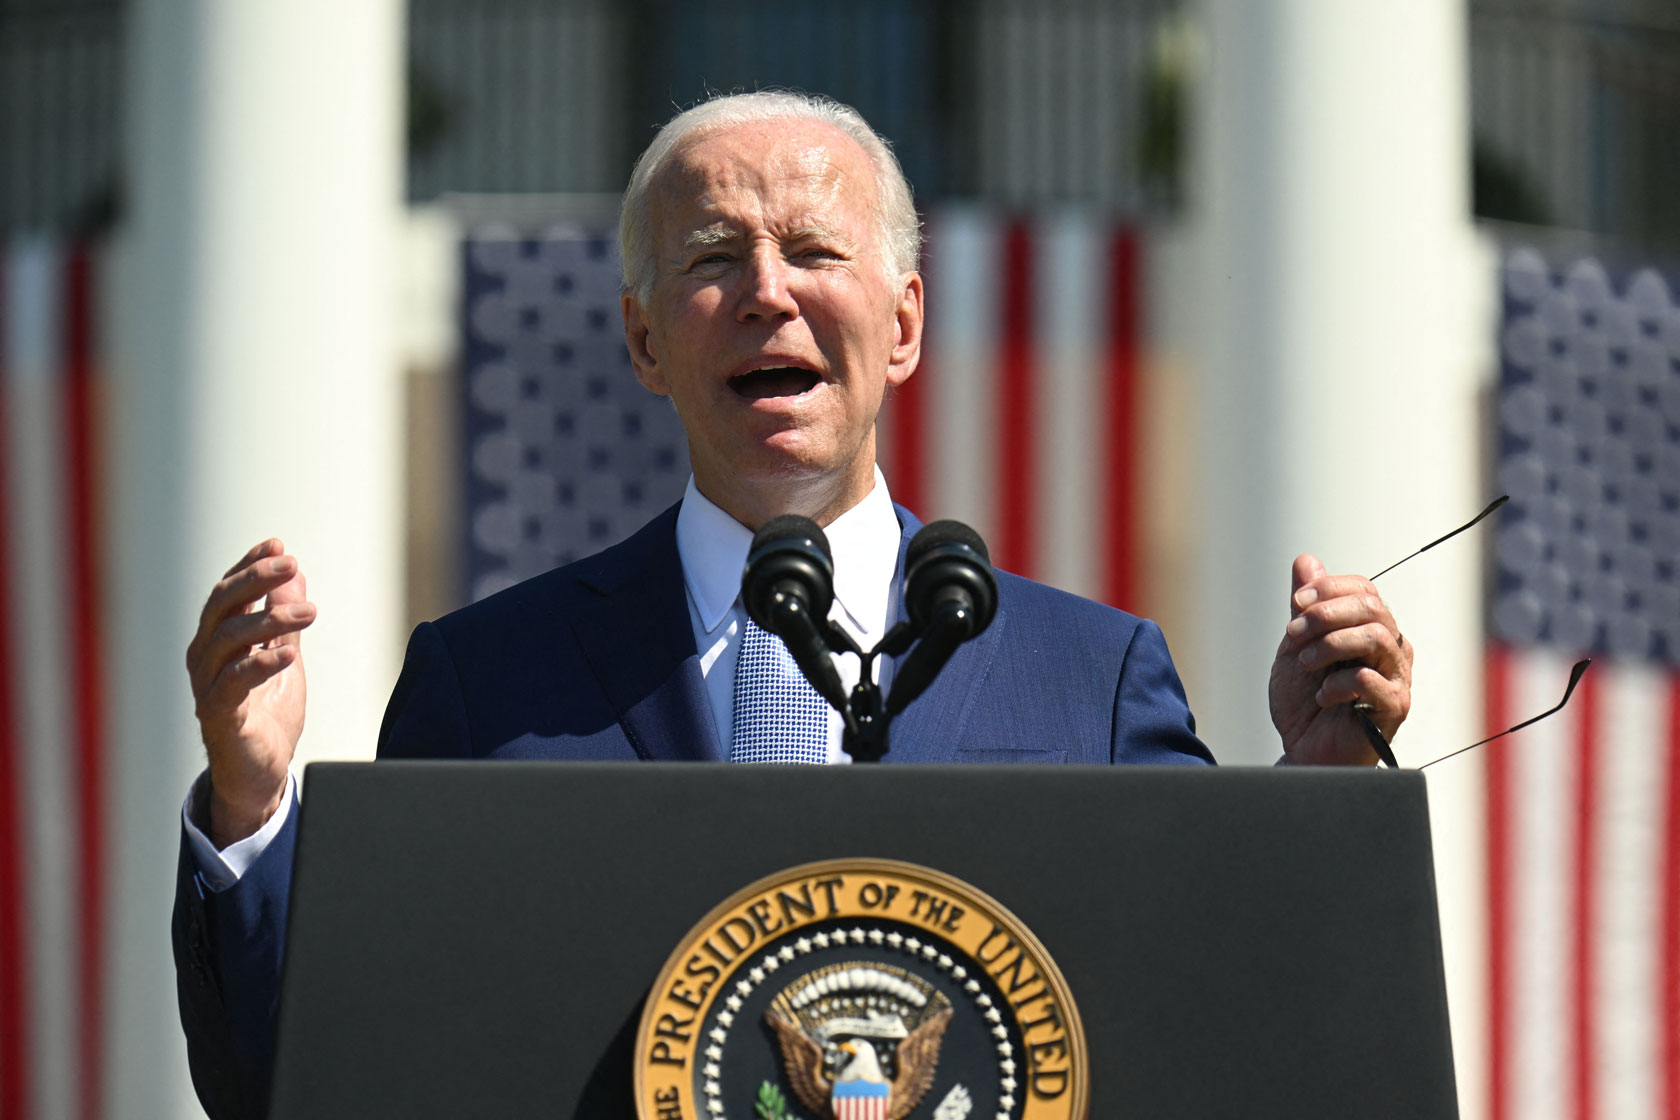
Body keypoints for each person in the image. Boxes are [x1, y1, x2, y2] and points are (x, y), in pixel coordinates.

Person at [174, 91, 1413, 1118]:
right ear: (645, 342)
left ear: (904, 323)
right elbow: (314, 1075)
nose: (767, 291)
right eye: (713, 259)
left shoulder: (1090, 674)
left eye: (814, 252)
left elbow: (1224, 1029)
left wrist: (1322, 803)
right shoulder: (488, 679)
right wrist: (250, 805)